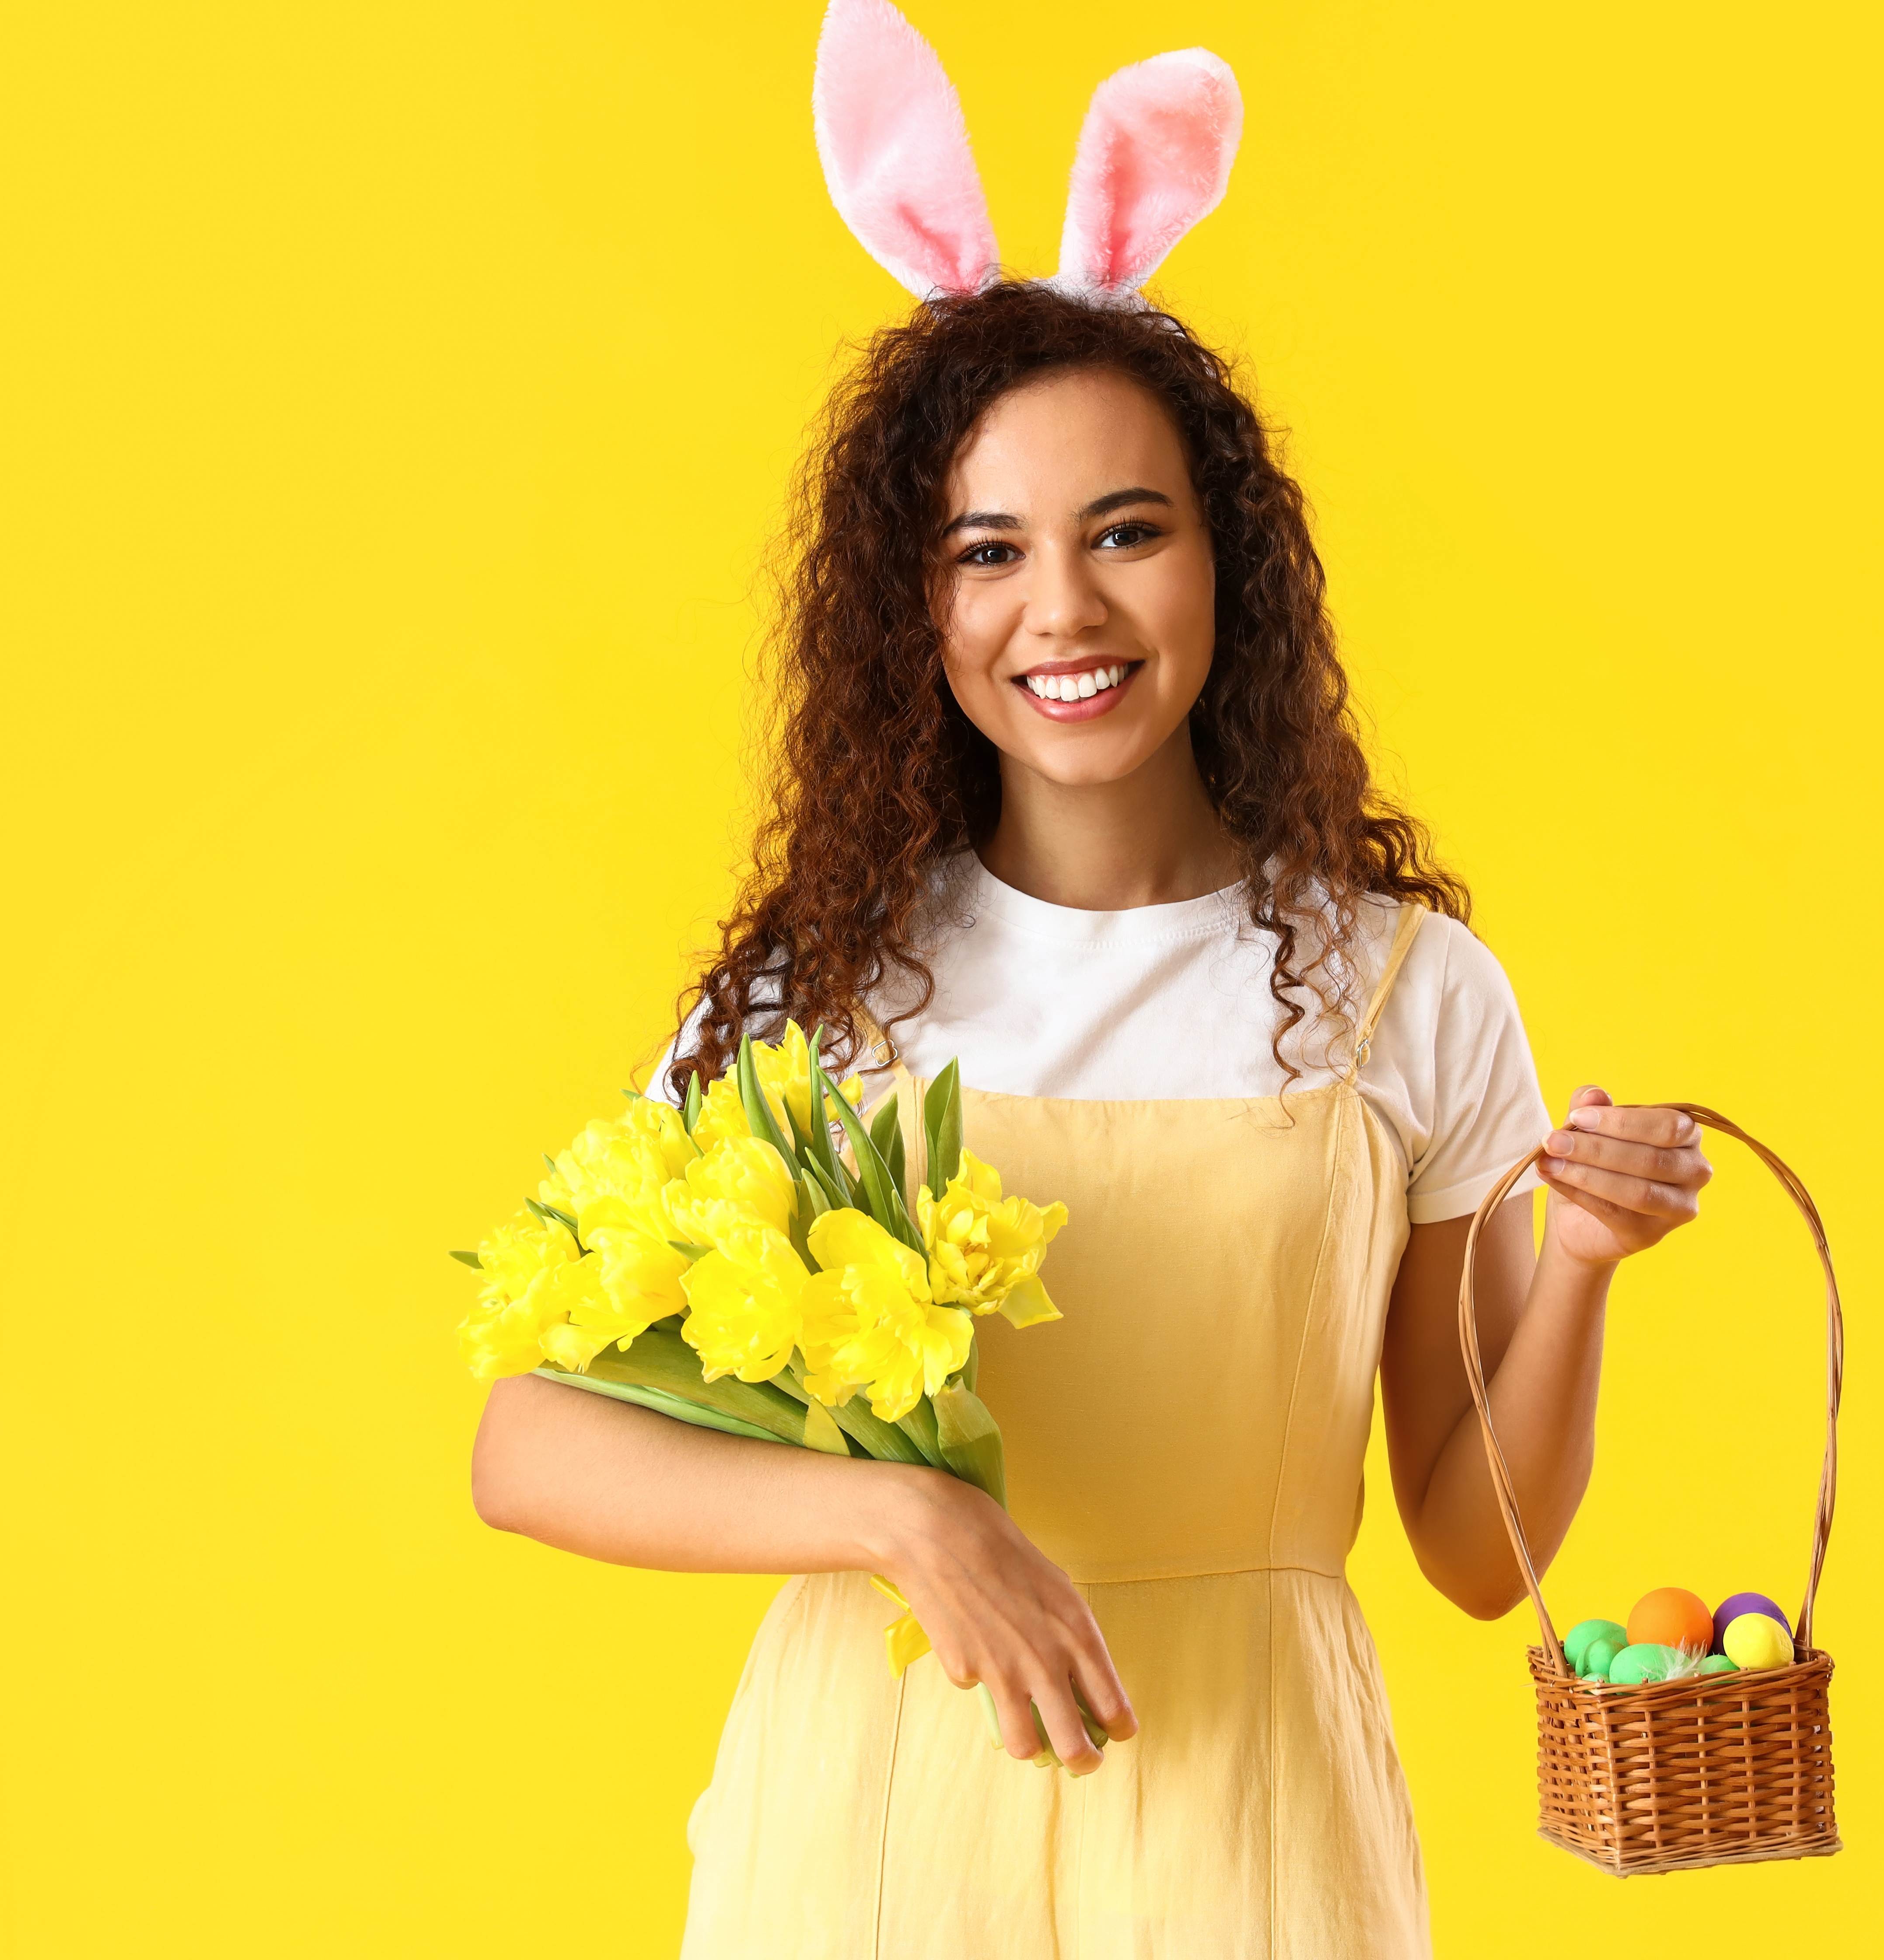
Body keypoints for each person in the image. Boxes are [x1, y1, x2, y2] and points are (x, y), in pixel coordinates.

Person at [471, 9, 1714, 1953]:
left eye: (1126, 531)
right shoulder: (824, 999)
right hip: (873, 1835)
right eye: (989, 553)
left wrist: (1584, 1267)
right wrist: (897, 1515)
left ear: (1231, 562)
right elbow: (527, 1442)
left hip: (1256, 1834)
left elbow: (1478, 1554)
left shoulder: (1407, 994)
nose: (1064, 609)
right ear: (923, 606)